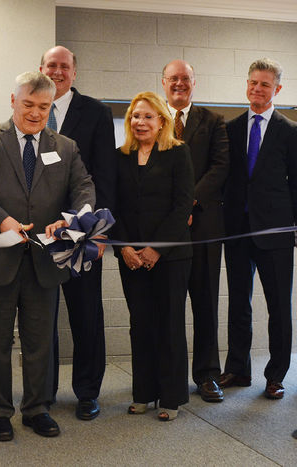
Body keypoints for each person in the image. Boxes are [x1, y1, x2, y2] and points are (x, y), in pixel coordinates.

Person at [0, 71, 95, 441]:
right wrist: (2, 221)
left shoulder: (65, 146)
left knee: (40, 342)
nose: (35, 113)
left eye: (43, 106)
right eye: (28, 104)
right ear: (13, 100)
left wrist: (70, 221)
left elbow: (84, 188)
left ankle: (37, 408)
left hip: (43, 261)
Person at [219, 58, 297, 400]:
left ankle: (276, 375)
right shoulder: (231, 128)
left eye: (265, 85)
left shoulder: (291, 132)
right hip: (238, 232)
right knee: (238, 303)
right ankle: (238, 369)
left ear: (277, 90)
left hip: (276, 235)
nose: (258, 89)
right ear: (247, 85)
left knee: (279, 308)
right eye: (253, 83)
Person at [39, 45, 117, 420]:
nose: (57, 72)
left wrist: (98, 233)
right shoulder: (31, 108)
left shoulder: (98, 113)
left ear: (74, 72)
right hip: (40, 237)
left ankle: (88, 392)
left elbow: (105, 176)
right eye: (51, 65)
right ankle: (45, 391)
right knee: (43, 317)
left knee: (86, 315)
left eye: (64, 67)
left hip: (82, 237)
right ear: (41, 69)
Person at [114, 91, 194, 422]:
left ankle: (171, 397)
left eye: (148, 116)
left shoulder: (178, 153)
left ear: (162, 120)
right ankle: (143, 393)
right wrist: (125, 247)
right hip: (131, 256)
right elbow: (113, 206)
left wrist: (155, 248)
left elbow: (182, 205)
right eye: (135, 115)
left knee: (169, 323)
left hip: (171, 255)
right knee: (141, 324)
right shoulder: (119, 156)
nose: (140, 122)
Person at [161, 59, 229, 403]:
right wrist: (173, 211)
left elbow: (220, 167)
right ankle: (167, 377)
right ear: (163, 83)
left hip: (203, 226)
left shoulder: (213, 121)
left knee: (205, 303)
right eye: (173, 78)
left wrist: (189, 203)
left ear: (194, 82)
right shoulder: (153, 119)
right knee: (168, 307)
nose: (179, 84)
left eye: (185, 78)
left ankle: (206, 375)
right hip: (164, 230)